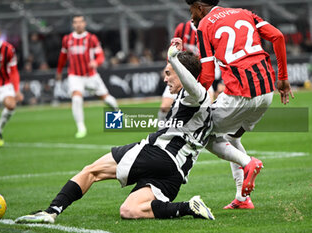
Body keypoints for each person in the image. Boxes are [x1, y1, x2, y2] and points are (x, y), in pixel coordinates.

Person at [15, 44, 216, 224]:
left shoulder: (195, 94)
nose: (165, 78)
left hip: (157, 154)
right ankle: (189, 207)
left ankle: (51, 212)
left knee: (91, 171)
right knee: (130, 210)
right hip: (175, 174)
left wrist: (174, 58)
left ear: (183, 74)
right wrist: (177, 56)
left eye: (169, 73)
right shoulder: (201, 101)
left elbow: (188, 81)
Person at [185, 0, 294, 209]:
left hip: (239, 94)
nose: (191, 16)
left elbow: (207, 75)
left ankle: (248, 163)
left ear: (199, 7)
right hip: (265, 93)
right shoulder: (245, 13)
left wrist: (190, 100)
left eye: (191, 10)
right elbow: (278, 37)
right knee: (231, 136)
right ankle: (243, 199)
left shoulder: (205, 25)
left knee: (202, 131)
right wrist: (283, 77)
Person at [56, 15, 118, 138]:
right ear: (73, 25)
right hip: (75, 75)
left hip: (90, 75)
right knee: (76, 99)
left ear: (84, 24)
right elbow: (63, 57)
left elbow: (100, 55)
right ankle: (81, 128)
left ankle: (117, 113)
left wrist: (96, 62)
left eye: (80, 22)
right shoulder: (67, 39)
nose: (78, 24)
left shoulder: (91, 38)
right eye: (75, 22)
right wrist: (58, 71)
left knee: (106, 99)